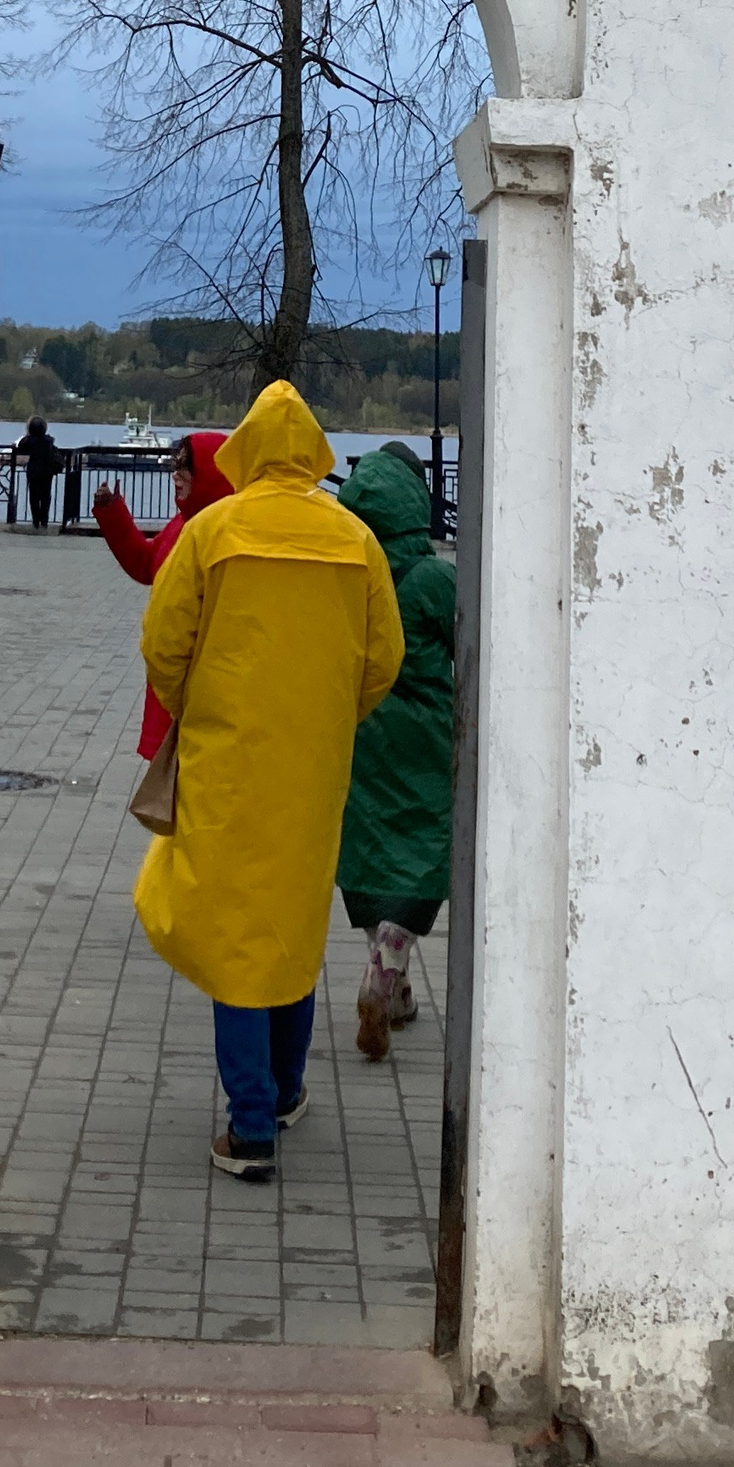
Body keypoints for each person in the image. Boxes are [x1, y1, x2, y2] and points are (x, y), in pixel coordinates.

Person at [133, 382, 403, 1181]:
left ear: (247, 448)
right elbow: (383, 658)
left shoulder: (212, 530)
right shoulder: (356, 539)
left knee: (237, 932)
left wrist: (199, 706)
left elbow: (162, 642)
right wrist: (332, 716)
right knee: (290, 922)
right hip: (314, 763)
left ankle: (251, 1127)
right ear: (315, 452)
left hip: (228, 761)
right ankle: (285, 1090)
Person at [333, 443, 457, 1060]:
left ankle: (397, 989)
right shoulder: (435, 578)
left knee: (372, 851)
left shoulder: (348, 569)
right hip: (426, 738)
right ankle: (385, 973)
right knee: (420, 853)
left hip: (361, 732)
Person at [92, 431, 230, 756]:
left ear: (209, 473)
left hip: (195, 689)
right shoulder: (183, 523)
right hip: (173, 686)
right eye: (174, 465)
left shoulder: (217, 533)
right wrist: (114, 514)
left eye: (185, 467)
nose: (175, 475)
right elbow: (147, 563)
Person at [18, 413, 60, 532]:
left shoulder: (29, 441)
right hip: (47, 471)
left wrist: (27, 435)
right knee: (46, 496)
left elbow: (21, 447)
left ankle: (36, 521)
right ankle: (44, 521)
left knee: (34, 497)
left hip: (34, 471)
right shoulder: (48, 441)